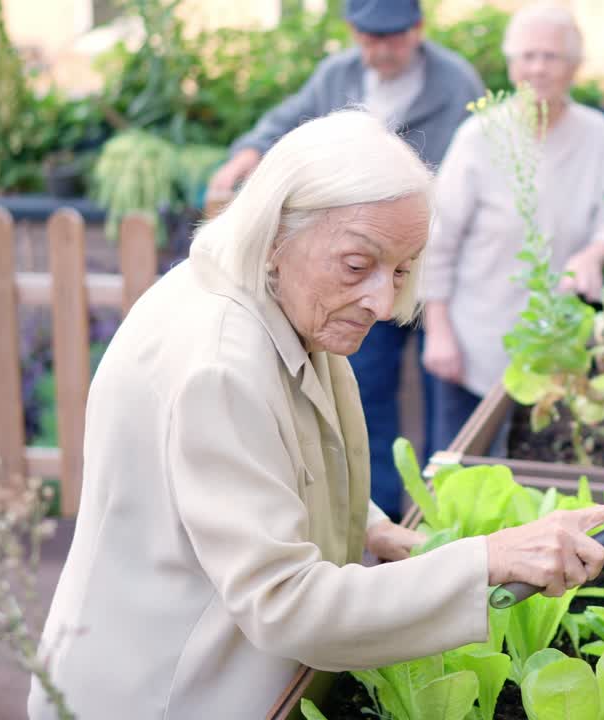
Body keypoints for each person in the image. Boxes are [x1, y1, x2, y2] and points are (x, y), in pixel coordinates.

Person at [26, 111, 604, 719]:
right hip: (162, 695)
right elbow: (284, 604)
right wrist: (489, 560)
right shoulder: (218, 364)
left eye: (402, 269)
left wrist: (370, 525)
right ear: (277, 234)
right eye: (358, 265)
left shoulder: (273, 296)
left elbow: (276, 457)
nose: (382, 300)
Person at [207, 0, 487, 521]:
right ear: (354, 33)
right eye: (371, 38)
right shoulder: (336, 75)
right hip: (357, 269)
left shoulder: (455, 81)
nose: (383, 49)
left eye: (395, 37)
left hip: (431, 269)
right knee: (365, 400)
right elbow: (285, 128)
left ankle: (438, 524)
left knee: (442, 407)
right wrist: (247, 154)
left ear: (418, 30)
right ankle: (372, 519)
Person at [420, 3, 604, 454]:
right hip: (471, 345)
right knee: (455, 476)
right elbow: (435, 241)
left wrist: (594, 253)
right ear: (510, 65)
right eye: (527, 56)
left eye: (551, 56)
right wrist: (438, 331)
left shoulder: (594, 133)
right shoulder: (480, 136)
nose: (538, 68)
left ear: (575, 67)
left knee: (536, 477)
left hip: (555, 352)